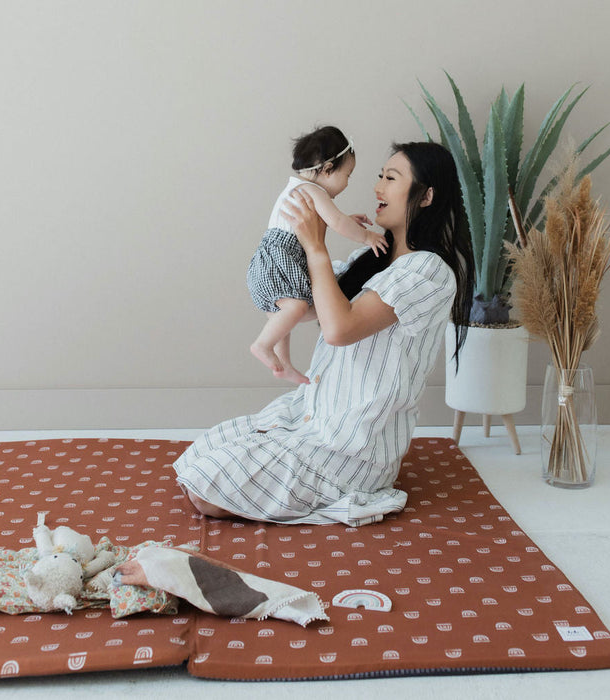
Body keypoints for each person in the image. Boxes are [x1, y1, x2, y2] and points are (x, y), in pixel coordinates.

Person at [174, 141, 474, 527]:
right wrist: (283, 257)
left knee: (206, 490)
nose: (378, 187)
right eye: (379, 176)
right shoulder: (370, 261)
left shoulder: (428, 271)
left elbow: (338, 329)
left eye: (392, 178)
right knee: (198, 459)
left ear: (427, 195)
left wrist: (316, 246)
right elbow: (309, 308)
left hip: (352, 445)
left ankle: (352, 491)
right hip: (312, 415)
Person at [247, 125, 388, 384]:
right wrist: (367, 236)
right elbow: (334, 221)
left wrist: (347, 220)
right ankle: (262, 345)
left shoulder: (298, 187)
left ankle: (284, 363)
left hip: (269, 261)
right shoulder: (312, 190)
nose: (347, 182)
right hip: (280, 258)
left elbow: (333, 219)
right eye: (348, 175)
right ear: (327, 169)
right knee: (297, 307)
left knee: (283, 315)